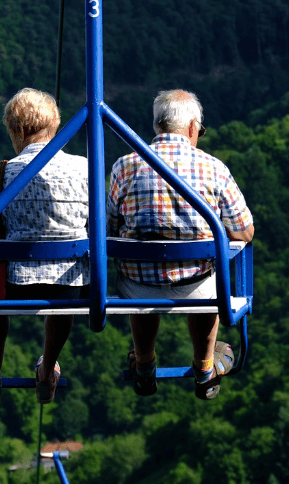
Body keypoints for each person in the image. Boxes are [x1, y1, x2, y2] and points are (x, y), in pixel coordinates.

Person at [107, 89, 254, 400]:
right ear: (191, 127)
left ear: (158, 126)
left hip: (136, 285)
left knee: (141, 275)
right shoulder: (214, 168)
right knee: (210, 278)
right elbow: (245, 231)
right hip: (197, 284)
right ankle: (204, 367)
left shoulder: (124, 166)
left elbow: (110, 228)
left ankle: (144, 364)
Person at [0, 88, 89, 406]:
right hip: (72, 286)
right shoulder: (83, 169)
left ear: (16, 131)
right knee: (65, 276)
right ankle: (47, 370)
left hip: (14, 288)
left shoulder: (2, 173)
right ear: (55, 125)